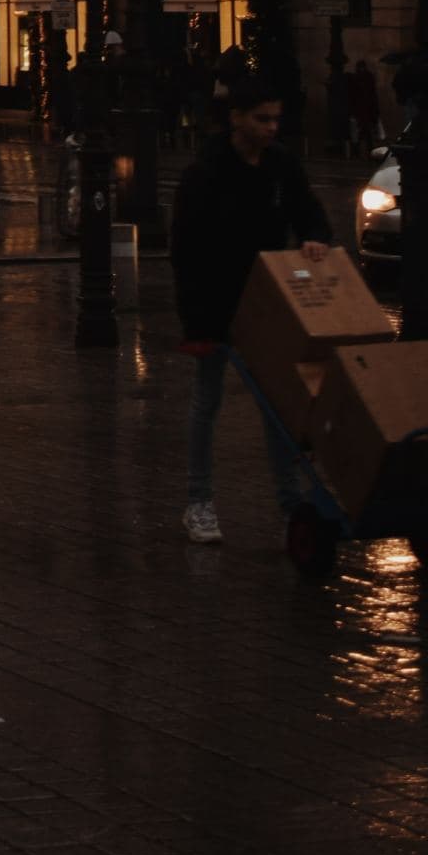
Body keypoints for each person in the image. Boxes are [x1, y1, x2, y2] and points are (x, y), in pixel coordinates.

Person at [169, 66, 331, 546]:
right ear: (236, 118)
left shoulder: (281, 166)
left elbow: (309, 213)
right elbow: (187, 250)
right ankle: (198, 501)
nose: (271, 128)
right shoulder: (206, 173)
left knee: (278, 407)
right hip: (219, 306)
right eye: (262, 119)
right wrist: (197, 322)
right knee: (207, 402)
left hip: (269, 304)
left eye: (276, 119)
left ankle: (289, 504)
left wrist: (316, 241)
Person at [345, 59, 381, 161]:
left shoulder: (359, 79)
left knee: (360, 134)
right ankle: (365, 152)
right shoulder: (366, 79)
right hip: (364, 111)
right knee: (364, 133)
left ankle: (358, 152)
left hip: (362, 111)